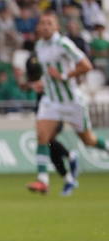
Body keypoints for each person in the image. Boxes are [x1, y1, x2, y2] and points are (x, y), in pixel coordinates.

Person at [25, 10, 108, 196]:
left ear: (56, 27)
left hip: (71, 101)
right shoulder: (39, 45)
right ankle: (42, 181)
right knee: (42, 136)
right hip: (51, 100)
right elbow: (46, 72)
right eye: (42, 23)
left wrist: (64, 76)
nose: (45, 26)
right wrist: (40, 83)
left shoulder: (63, 43)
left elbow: (86, 65)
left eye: (49, 23)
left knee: (89, 140)